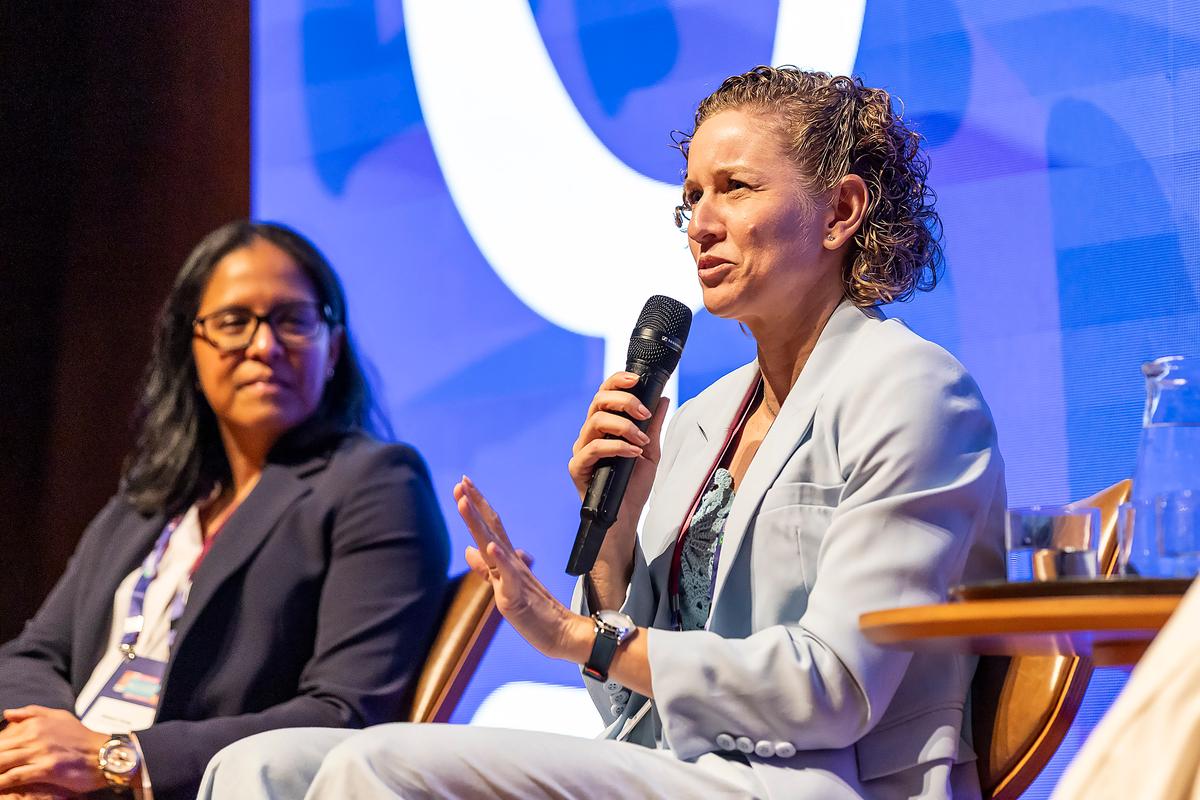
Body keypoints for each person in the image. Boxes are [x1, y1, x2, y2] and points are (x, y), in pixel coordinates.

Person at [198, 66, 1006, 799]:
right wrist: (615, 536)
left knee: (370, 768)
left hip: (822, 783)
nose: (700, 224)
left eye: (735, 187)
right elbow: (627, 703)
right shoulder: (697, 419)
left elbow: (834, 690)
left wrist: (580, 634)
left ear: (840, 210)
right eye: (693, 196)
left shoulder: (911, 391)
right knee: (252, 768)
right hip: (681, 771)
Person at [0, 221, 451, 800]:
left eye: (293, 321)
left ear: (332, 348)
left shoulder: (374, 484)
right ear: (191, 347)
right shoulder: (154, 496)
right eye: (235, 322)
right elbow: (33, 654)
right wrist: (45, 749)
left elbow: (346, 712)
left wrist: (119, 760)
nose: (264, 346)